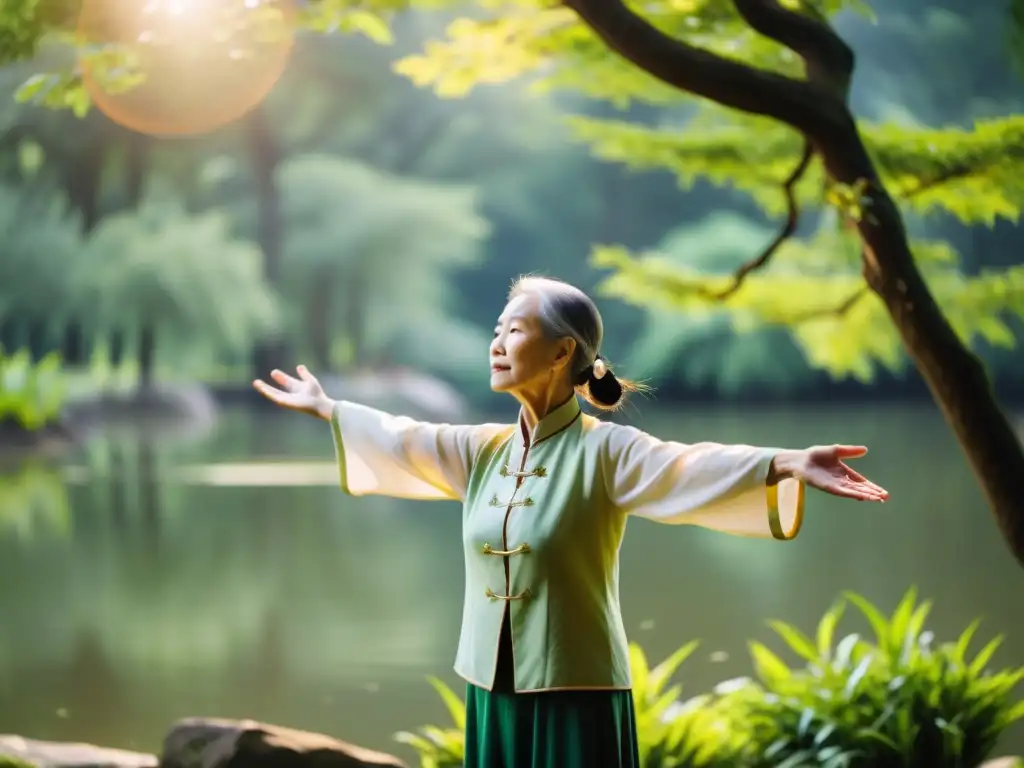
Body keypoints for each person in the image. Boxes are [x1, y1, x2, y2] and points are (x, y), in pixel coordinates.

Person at [253, 275, 889, 768]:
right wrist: (331, 410)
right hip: (491, 685)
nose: (497, 344)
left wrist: (787, 461)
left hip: (575, 693)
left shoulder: (605, 451)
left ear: (561, 352)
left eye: (514, 331)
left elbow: (688, 466)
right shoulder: (483, 450)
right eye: (496, 330)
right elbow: (404, 438)